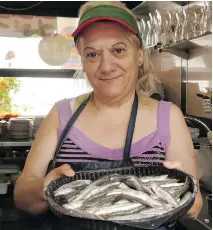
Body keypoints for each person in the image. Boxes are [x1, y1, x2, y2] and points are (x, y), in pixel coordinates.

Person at [14, 1, 203, 228]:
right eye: (92, 54)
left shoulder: (169, 117)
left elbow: (194, 208)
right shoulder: (61, 114)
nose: (106, 66)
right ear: (83, 61)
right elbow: (23, 198)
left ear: (139, 55)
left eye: (118, 50)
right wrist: (45, 188)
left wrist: (183, 187)